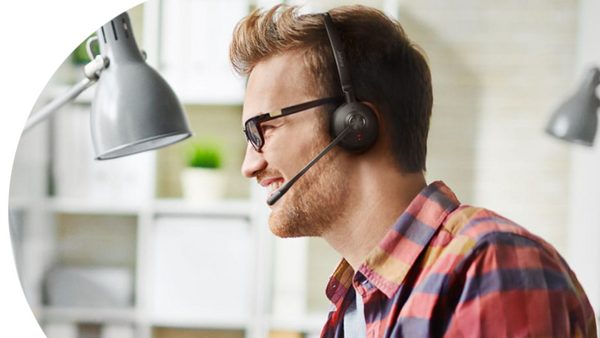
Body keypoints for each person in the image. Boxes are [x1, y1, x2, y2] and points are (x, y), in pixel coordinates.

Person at [230, 4, 597, 338]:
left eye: (263, 129)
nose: (249, 166)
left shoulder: (490, 267)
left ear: (355, 125)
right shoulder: (351, 309)